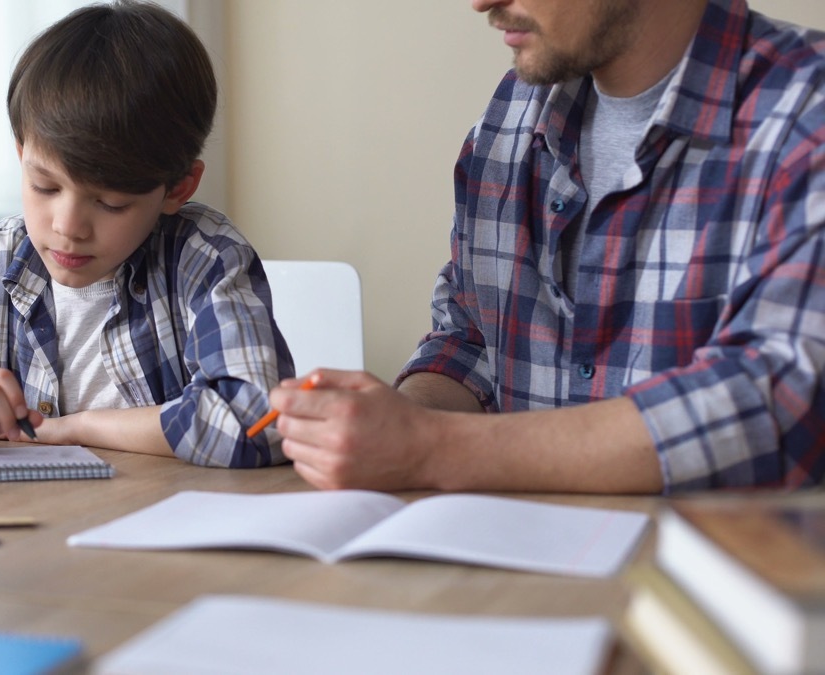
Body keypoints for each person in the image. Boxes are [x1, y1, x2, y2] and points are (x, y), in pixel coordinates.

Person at [271, 0, 825, 493]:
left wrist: (431, 447)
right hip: (517, 577)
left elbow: (780, 401)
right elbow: (471, 339)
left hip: (703, 592)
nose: (480, 2)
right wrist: (393, 423)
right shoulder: (514, 112)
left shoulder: (807, 112)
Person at [0, 1, 294, 468]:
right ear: (21, 154)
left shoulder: (202, 258)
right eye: (44, 186)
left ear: (178, 188)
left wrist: (77, 428)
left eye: (110, 202)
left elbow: (256, 420)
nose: (67, 226)